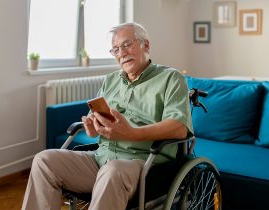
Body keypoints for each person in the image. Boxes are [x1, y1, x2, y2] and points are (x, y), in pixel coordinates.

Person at [22, 22, 193, 210]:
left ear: (146, 45)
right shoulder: (111, 80)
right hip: (100, 159)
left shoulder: (171, 78)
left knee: (113, 171)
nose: (122, 53)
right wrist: (93, 128)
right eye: (116, 49)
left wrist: (131, 134)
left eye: (127, 44)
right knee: (44, 160)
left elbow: (179, 127)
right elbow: (95, 126)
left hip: (144, 166)